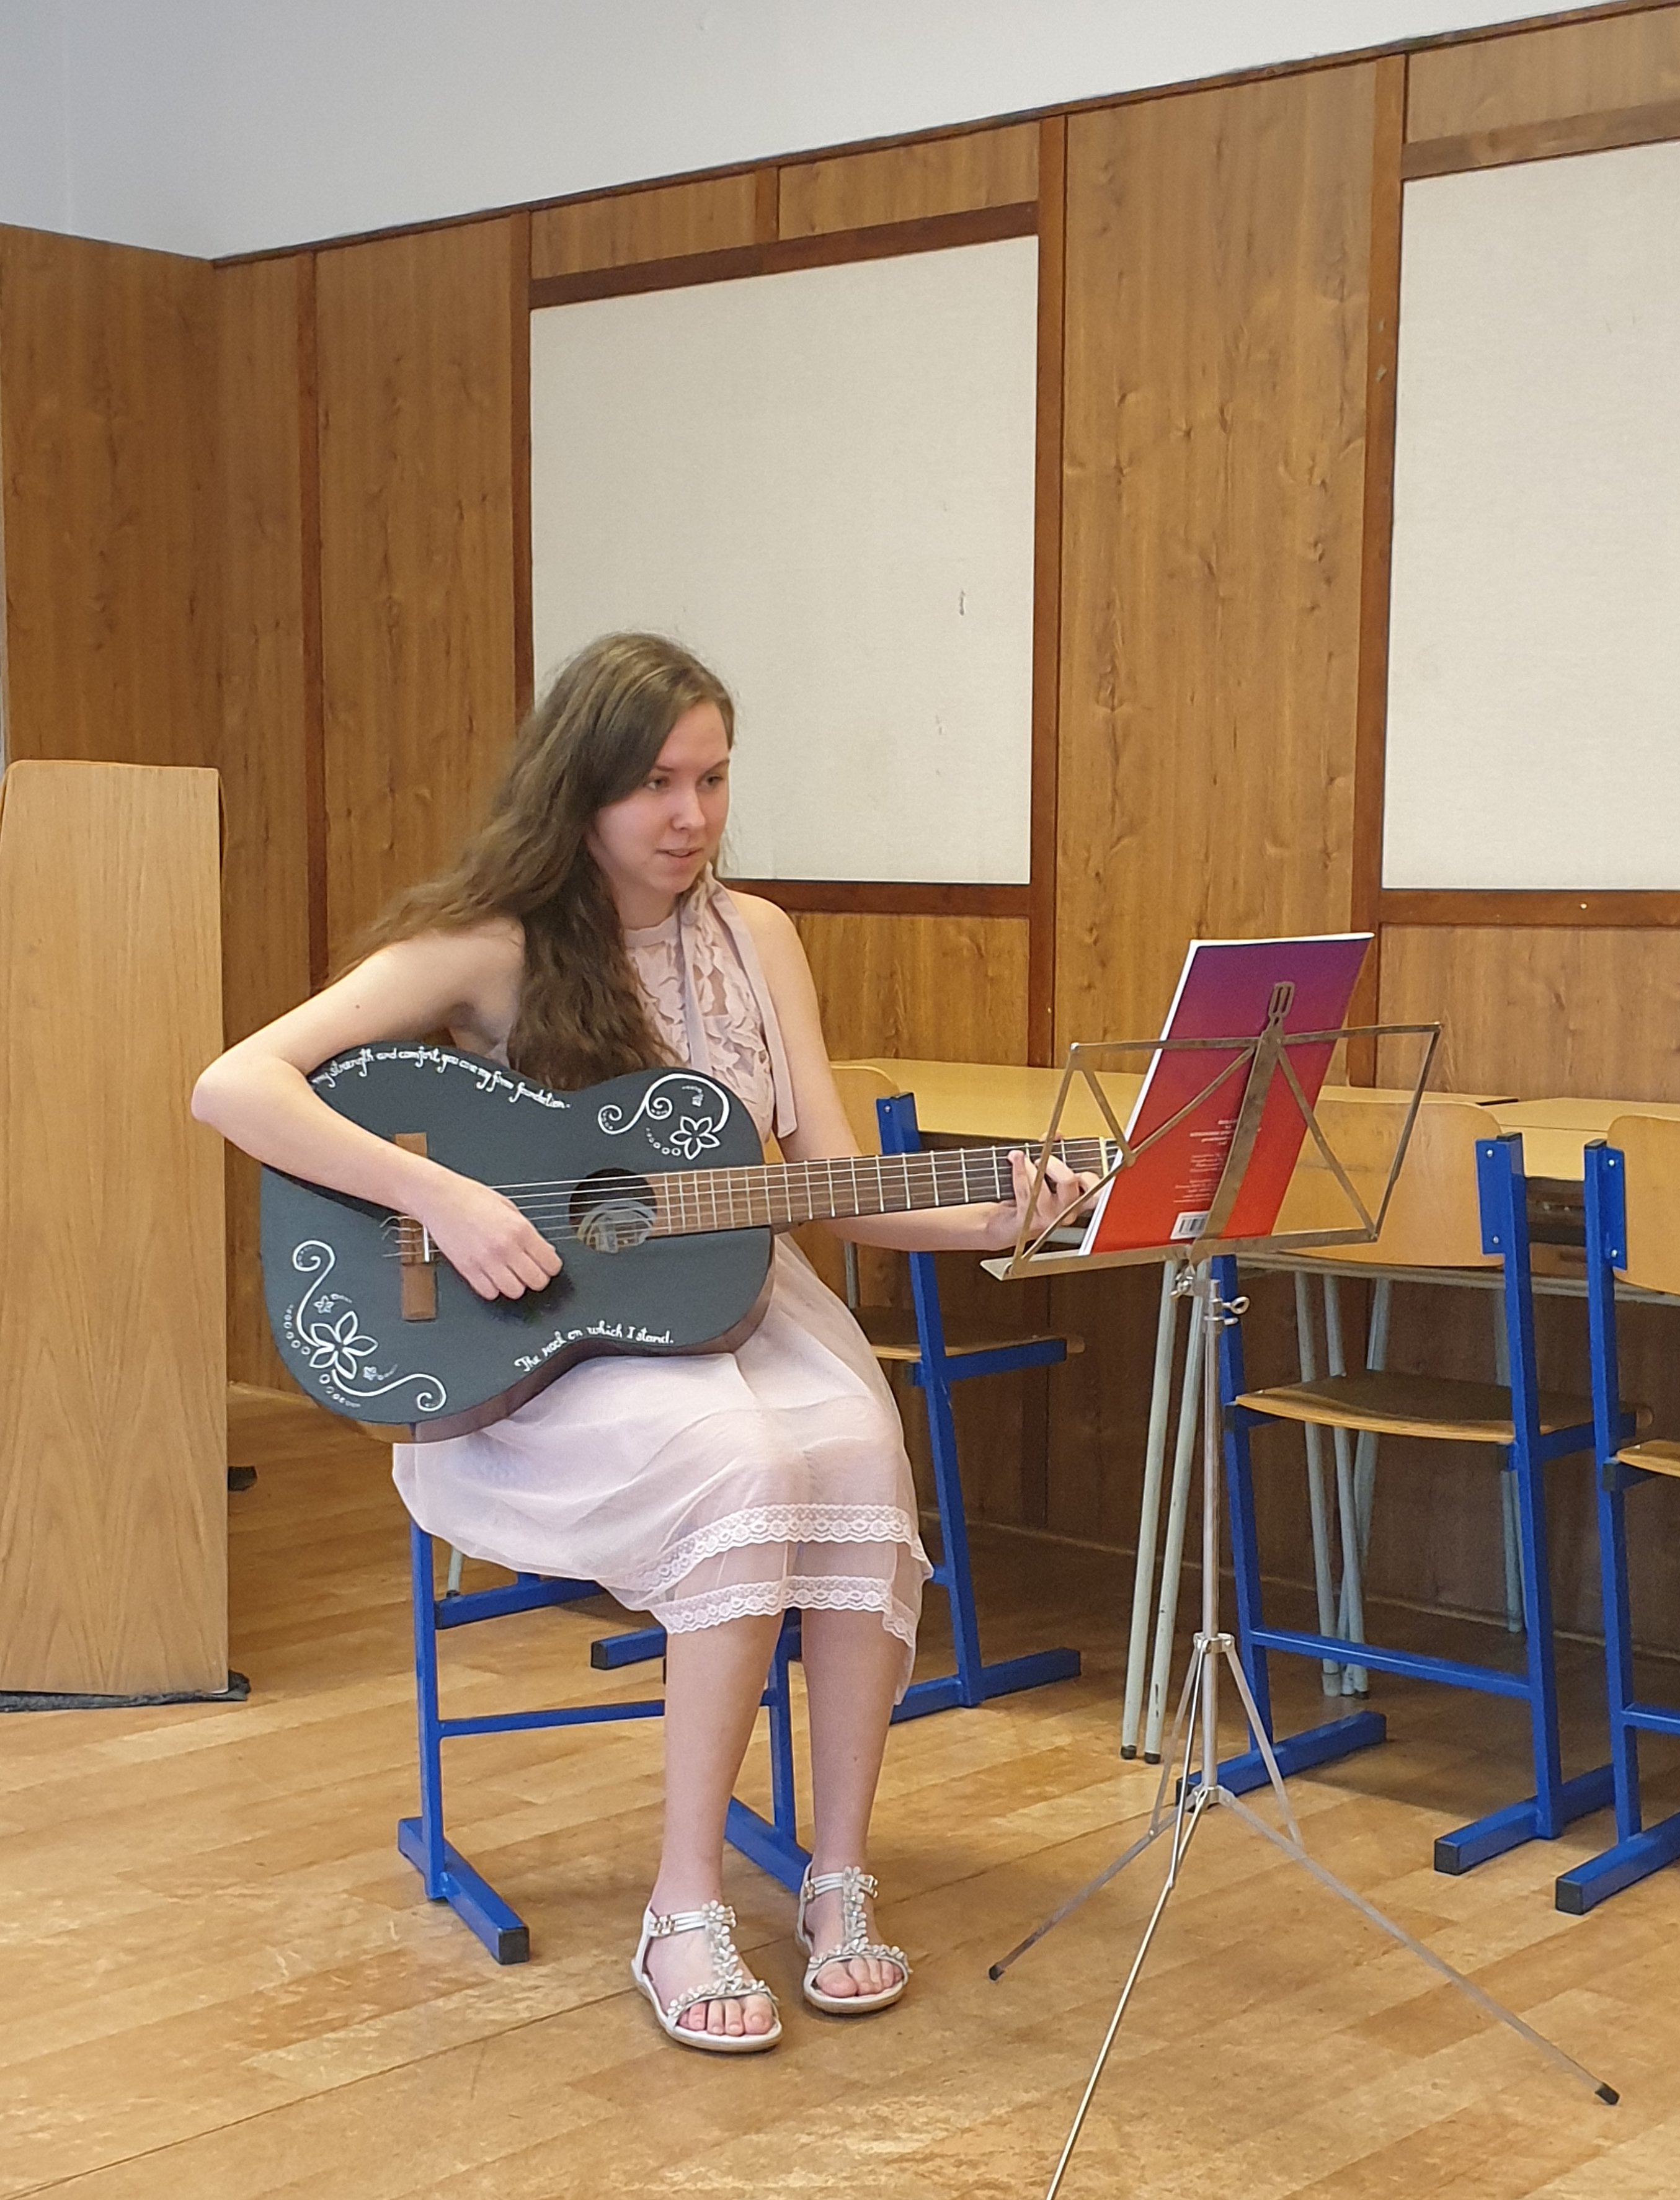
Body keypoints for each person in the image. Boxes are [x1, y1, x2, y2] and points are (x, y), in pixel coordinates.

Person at [193, 631, 1091, 2057]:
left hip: (742, 1302)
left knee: (860, 1447)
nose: (690, 816)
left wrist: (996, 1216)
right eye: (656, 784)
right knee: (742, 1461)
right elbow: (235, 1085)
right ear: (581, 787)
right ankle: (684, 1903)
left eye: (713, 780)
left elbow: (827, 1186)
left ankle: (840, 1873)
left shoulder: (761, 939)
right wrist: (446, 1198)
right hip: (538, 1344)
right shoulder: (488, 942)